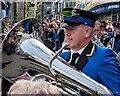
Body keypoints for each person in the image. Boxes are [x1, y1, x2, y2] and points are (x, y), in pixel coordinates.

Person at [60, 8, 120, 95]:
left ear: (87, 32)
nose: (67, 33)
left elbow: (117, 92)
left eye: (72, 29)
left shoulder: (103, 56)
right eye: (66, 29)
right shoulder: (63, 57)